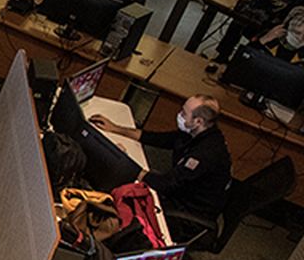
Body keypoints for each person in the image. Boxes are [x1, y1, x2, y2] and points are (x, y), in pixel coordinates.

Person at [90, 95, 232, 234]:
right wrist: (115, 128)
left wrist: (125, 162)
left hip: (187, 211)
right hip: (178, 188)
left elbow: (166, 184)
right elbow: (160, 139)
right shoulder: (195, 132)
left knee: (121, 185)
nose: (179, 115)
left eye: (184, 113)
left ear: (198, 121)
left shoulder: (206, 153)